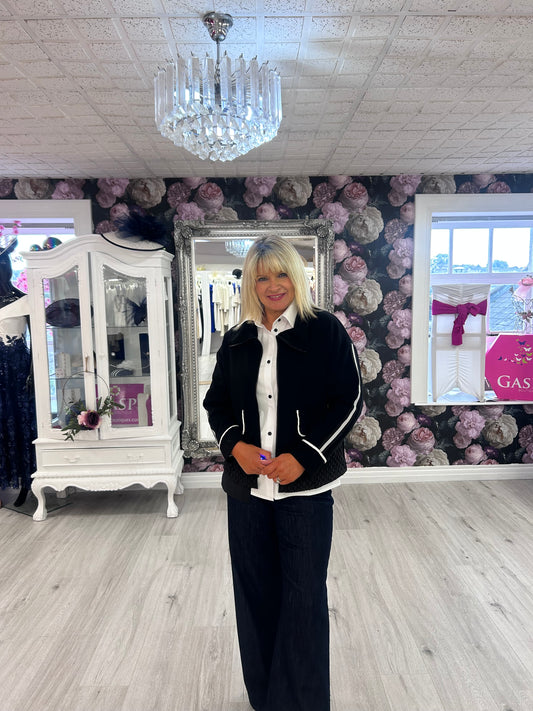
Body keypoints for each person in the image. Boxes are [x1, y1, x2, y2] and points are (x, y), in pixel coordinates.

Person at [203, 235, 363, 711]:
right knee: (254, 595)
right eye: (261, 278)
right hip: (246, 491)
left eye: (281, 274)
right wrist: (235, 446)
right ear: (251, 285)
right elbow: (216, 403)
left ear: (296, 276)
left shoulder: (325, 330)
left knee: (303, 597)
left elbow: (350, 400)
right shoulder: (236, 339)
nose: (273, 286)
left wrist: (305, 455)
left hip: (306, 490)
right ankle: (265, 699)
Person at [0, 238, 37, 507]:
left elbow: (38, 343)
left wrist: (34, 374)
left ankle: (27, 481)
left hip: (18, 371)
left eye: (5, 263)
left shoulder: (24, 301)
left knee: (23, 422)